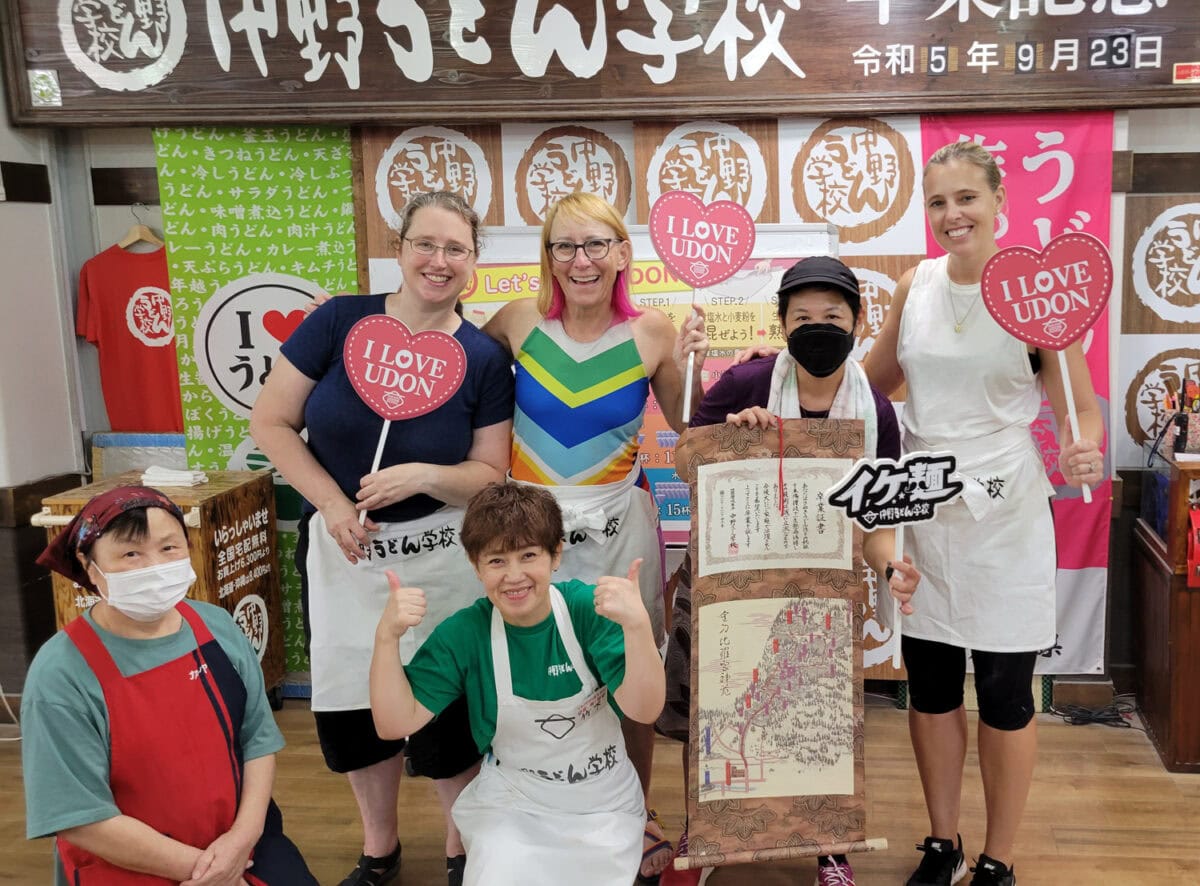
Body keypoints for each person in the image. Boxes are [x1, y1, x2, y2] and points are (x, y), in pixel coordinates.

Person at [249, 191, 514, 886]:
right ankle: (379, 851)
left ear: (474, 263)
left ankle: (463, 852)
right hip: (345, 552)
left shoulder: (482, 355)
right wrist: (334, 504)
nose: (439, 261)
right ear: (399, 249)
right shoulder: (339, 321)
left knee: (448, 707)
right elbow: (272, 423)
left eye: (456, 249)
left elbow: (489, 476)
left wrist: (424, 474)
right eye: (425, 244)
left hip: (441, 558)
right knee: (353, 704)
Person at [862, 142, 1104, 886]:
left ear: (1000, 202)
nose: (952, 215)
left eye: (967, 197)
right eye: (937, 202)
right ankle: (944, 843)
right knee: (930, 684)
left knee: (1004, 689)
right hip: (925, 503)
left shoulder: (1035, 292)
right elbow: (869, 388)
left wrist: (1083, 450)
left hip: (1006, 508)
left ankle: (998, 857)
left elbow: (1080, 412)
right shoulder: (915, 285)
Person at [661, 255, 921, 886]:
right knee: (717, 707)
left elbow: (876, 523)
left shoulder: (876, 413)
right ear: (781, 324)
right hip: (731, 583)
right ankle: (709, 827)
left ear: (858, 323)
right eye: (802, 316)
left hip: (820, 590)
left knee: (819, 716)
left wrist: (893, 572)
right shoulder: (748, 383)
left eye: (833, 315)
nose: (818, 327)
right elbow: (690, 462)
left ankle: (830, 842)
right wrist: (734, 435)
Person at [482, 191, 707, 882]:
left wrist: (707, 365)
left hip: (620, 528)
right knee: (531, 675)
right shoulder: (517, 322)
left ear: (621, 254)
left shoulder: (654, 333)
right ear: (548, 257)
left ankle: (636, 811)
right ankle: (542, 799)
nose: (580, 261)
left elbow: (691, 431)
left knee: (628, 675)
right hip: (530, 532)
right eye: (564, 246)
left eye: (595, 245)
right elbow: (467, 389)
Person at [368, 482, 664, 886]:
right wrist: (386, 637)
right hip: (514, 802)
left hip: (603, 804)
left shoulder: (584, 610)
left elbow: (644, 709)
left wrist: (637, 626)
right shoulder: (466, 633)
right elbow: (393, 724)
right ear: (475, 566)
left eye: (529, 555)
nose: (514, 576)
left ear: (556, 554)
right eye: (496, 561)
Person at [23, 485, 316, 885]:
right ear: (89, 566)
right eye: (130, 554)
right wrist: (207, 871)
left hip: (240, 845)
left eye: (169, 548)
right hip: (128, 866)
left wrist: (241, 840)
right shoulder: (62, 672)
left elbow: (258, 742)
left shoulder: (215, 627)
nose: (153, 566)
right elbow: (80, 817)